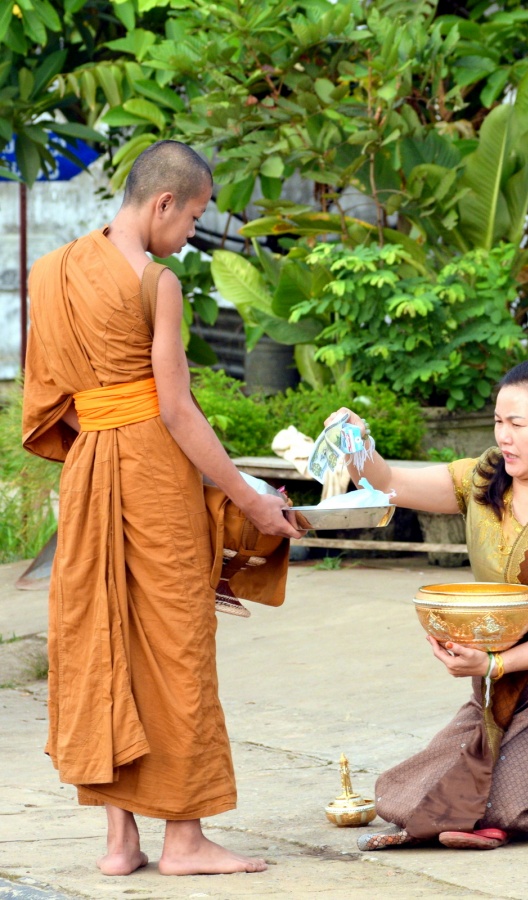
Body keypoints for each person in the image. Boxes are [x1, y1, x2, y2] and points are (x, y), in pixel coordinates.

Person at [22, 140, 303, 876]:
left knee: (102, 641)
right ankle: (184, 839)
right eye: (195, 216)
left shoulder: (48, 274)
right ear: (164, 203)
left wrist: (108, 437)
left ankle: (120, 844)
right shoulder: (158, 282)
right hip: (154, 475)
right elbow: (177, 412)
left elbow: (54, 405)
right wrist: (248, 498)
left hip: (88, 478)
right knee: (177, 647)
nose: (190, 234)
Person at [325, 359, 528, 851]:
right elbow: (391, 483)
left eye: (517, 424)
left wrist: (494, 662)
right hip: (501, 696)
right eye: (499, 422)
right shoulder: (483, 480)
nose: (504, 437)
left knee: (501, 806)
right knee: (402, 800)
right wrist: (354, 441)